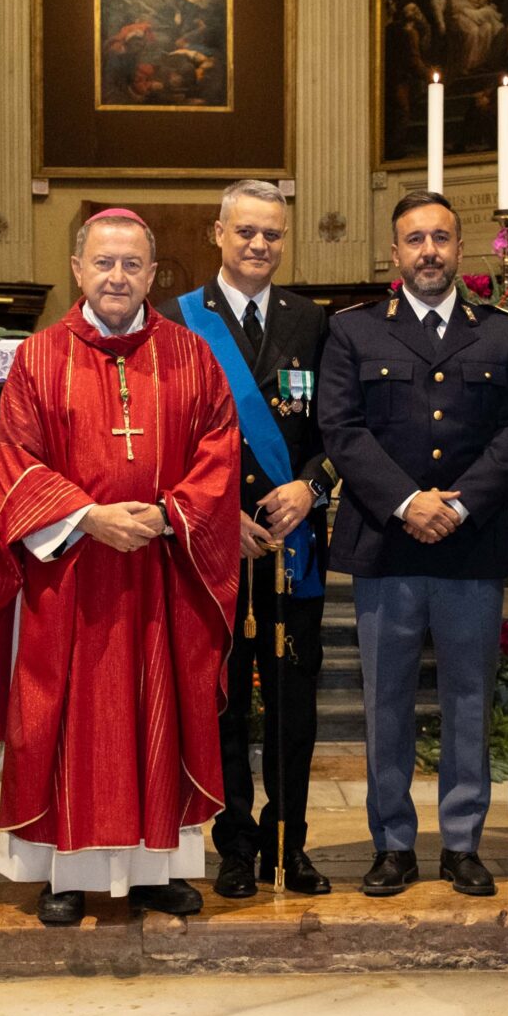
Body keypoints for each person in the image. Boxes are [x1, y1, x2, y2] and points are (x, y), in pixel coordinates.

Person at [0, 210, 241, 928]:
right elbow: (15, 463)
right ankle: (62, 870)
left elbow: (219, 449)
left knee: (159, 711)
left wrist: (166, 514)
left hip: (161, 571)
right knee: (66, 721)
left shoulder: (191, 356)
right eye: (103, 262)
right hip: (70, 576)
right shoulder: (38, 358)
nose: (117, 276)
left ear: (152, 275)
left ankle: (157, 870)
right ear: (77, 268)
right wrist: (89, 517)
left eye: (131, 264)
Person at [317, 191, 508, 898]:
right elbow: (341, 428)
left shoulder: (502, 334)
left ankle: (463, 842)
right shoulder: (353, 331)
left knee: (470, 696)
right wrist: (410, 502)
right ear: (395, 253)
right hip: (387, 542)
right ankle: (393, 843)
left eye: (441, 237)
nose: (429, 251)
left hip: (470, 543)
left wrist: (459, 504)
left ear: (460, 249)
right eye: (415, 239)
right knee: (386, 700)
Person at [164, 181, 334, 899]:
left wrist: (312, 485)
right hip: (217, 546)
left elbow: (338, 424)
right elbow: (166, 437)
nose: (260, 244)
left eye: (272, 233)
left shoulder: (313, 321)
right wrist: (214, 514)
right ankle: (234, 843)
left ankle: (289, 840)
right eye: (246, 232)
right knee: (224, 701)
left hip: (295, 543)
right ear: (218, 233)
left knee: (294, 704)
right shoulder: (177, 320)